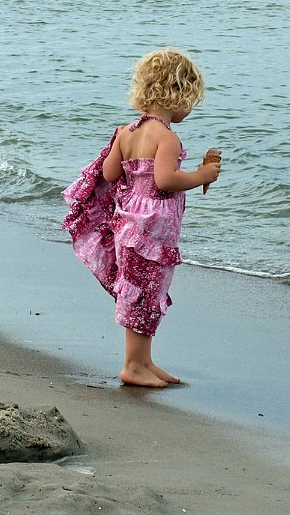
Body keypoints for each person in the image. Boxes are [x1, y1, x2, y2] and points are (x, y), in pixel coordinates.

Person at [62, 48, 220, 388]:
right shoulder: (167, 137)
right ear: (176, 93)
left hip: (128, 225)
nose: (189, 109)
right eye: (190, 100)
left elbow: (108, 172)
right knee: (145, 292)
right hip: (151, 233)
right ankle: (133, 366)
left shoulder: (126, 133)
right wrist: (202, 175)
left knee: (142, 291)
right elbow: (165, 181)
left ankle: (144, 361)